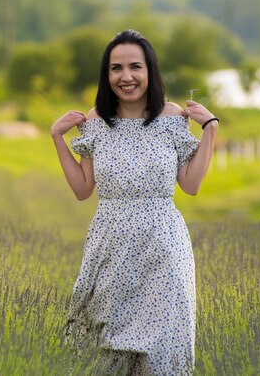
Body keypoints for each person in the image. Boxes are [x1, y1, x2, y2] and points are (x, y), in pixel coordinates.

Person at [50, 29, 218, 375]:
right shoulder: (96, 121)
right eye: (116, 68)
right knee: (107, 355)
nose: (126, 77)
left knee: (163, 357)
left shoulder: (171, 118)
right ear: (106, 74)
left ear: (149, 71)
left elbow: (191, 184)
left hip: (163, 252)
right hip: (110, 249)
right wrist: (57, 137)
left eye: (135, 67)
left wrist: (211, 130)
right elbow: (83, 189)